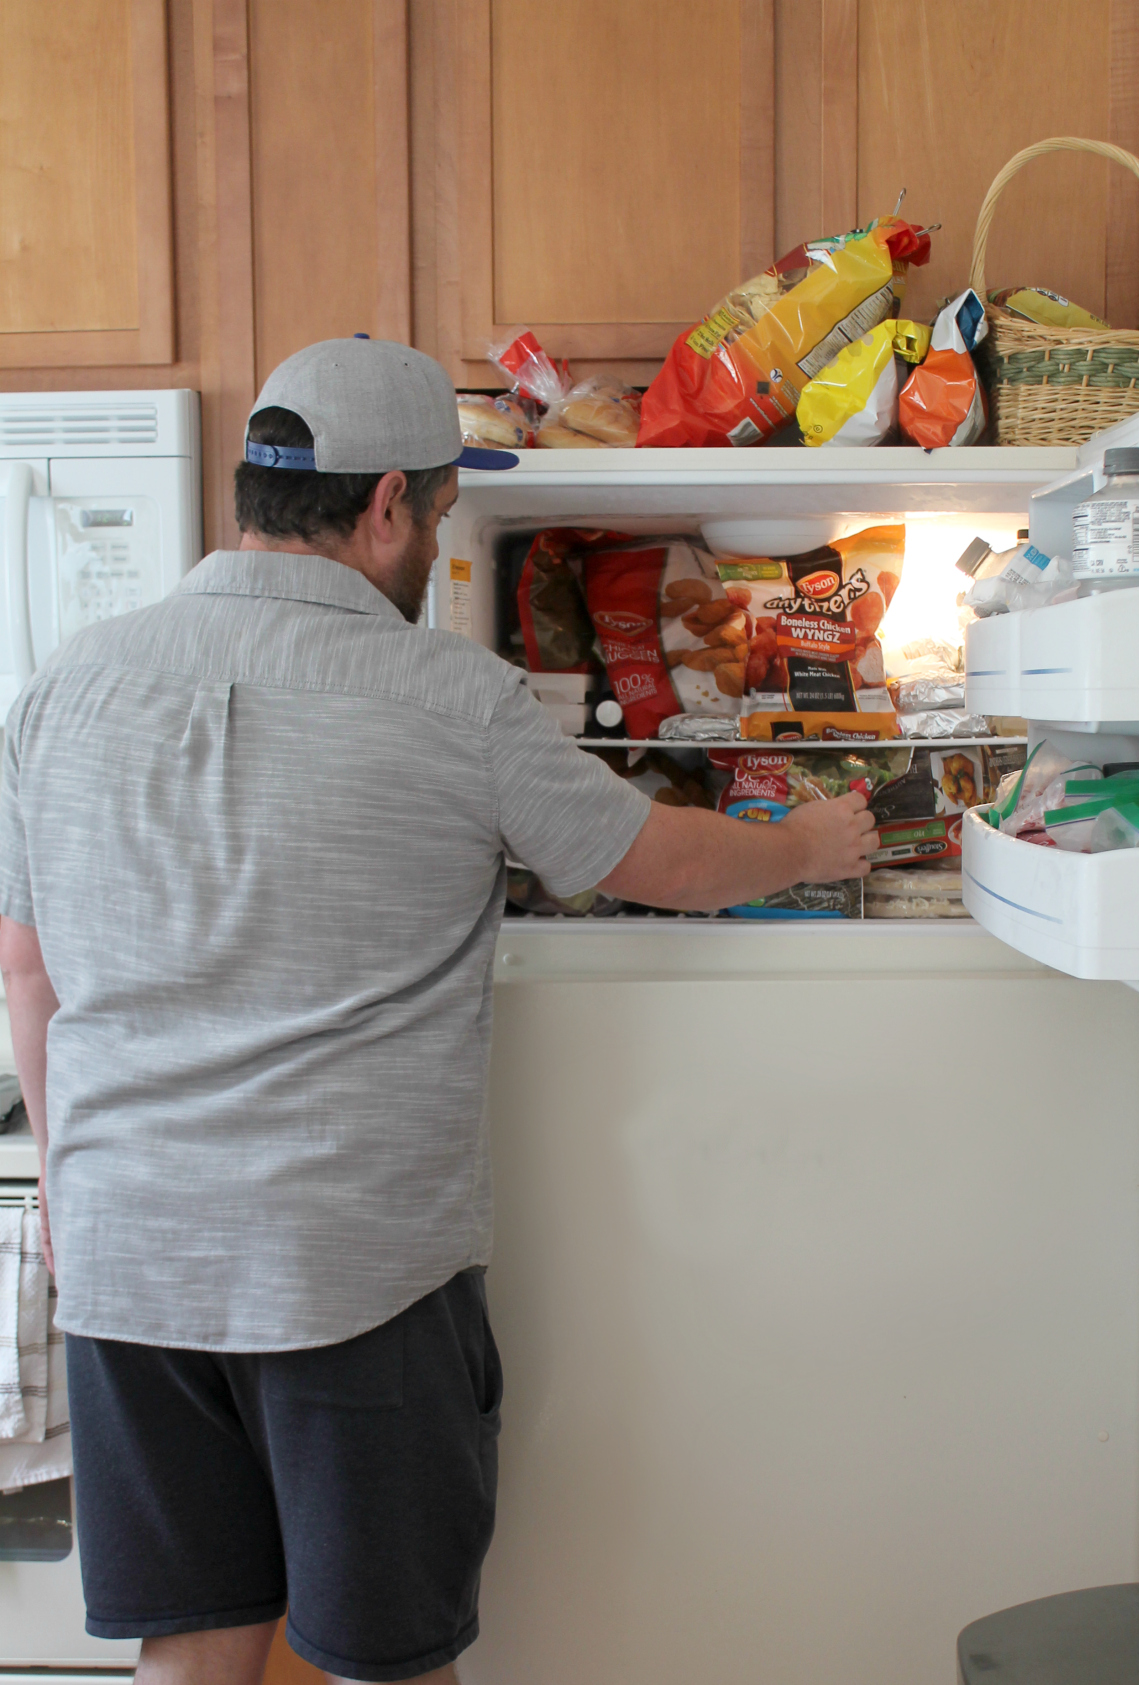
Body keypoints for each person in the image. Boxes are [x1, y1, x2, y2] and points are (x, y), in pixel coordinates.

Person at [0, 339, 877, 1685]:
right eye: (441, 519)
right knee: (390, 1658)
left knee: (190, 1644)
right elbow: (665, 862)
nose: (433, 554)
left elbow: (27, 968)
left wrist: (65, 1179)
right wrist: (811, 842)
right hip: (350, 1268)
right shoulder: (448, 696)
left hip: (133, 1254)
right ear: (389, 506)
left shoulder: (65, 683)